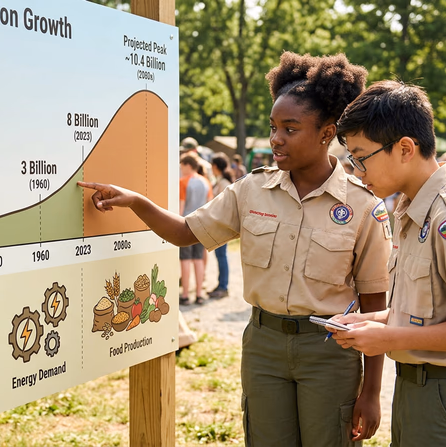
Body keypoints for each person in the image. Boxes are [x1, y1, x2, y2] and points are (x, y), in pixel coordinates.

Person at [80, 53, 390, 446]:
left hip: (329, 352)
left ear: (327, 133)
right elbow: (185, 232)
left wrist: (371, 392)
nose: (276, 138)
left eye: (290, 129)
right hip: (264, 346)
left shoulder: (363, 206)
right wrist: (137, 201)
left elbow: (374, 302)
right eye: (274, 127)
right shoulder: (251, 189)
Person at [332, 80, 446, 447]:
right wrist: (369, 321)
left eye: (361, 158)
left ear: (404, 149)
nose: (356, 171)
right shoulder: (413, 210)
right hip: (420, 388)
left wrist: (387, 337)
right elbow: (427, 312)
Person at [178, 152, 212, 305]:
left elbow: (181, 206)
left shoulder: (183, 181)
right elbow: (210, 203)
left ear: (188, 165)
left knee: (185, 260)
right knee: (198, 259)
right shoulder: (206, 182)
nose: (181, 168)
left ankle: (185, 294)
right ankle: (199, 294)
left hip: (186, 224)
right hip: (202, 224)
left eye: (182, 165)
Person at [207, 153, 233, 299]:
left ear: (215, 166)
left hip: (222, 226)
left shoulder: (223, 184)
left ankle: (223, 286)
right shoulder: (221, 181)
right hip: (220, 225)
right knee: (220, 256)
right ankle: (221, 285)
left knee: (221, 256)